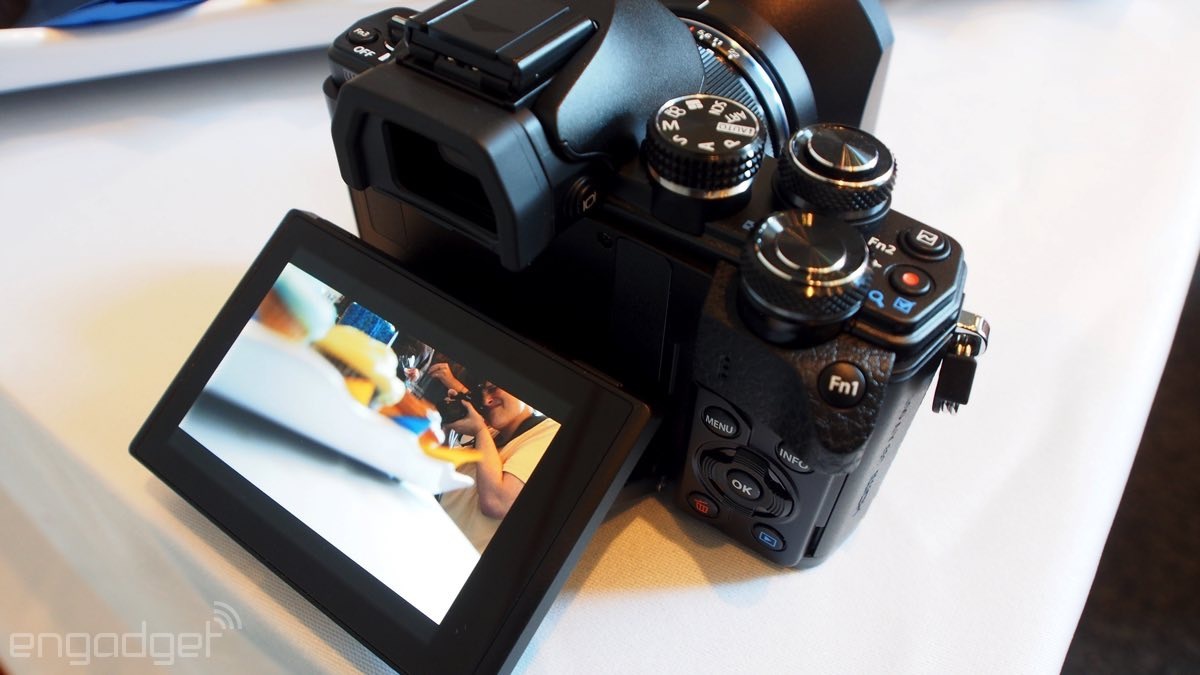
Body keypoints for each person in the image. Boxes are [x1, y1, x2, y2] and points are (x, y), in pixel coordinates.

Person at [429, 363, 560, 553]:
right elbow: (437, 472)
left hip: (458, 556)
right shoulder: (493, 434)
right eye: (480, 394)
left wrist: (479, 431)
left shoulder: (549, 432)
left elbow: (497, 504)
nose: (486, 401)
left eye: (493, 389)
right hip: (433, 535)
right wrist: (449, 425)